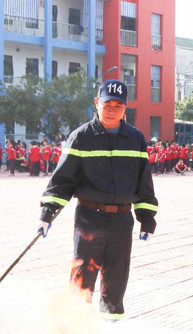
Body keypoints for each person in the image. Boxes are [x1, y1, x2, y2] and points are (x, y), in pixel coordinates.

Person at [36, 79, 158, 318]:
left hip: (122, 222)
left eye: (118, 105)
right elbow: (62, 180)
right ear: (96, 103)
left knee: (117, 279)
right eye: (107, 104)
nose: (112, 109)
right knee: (83, 277)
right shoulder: (81, 137)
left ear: (125, 108)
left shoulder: (135, 138)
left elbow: (144, 182)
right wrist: (47, 214)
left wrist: (147, 218)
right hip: (89, 219)